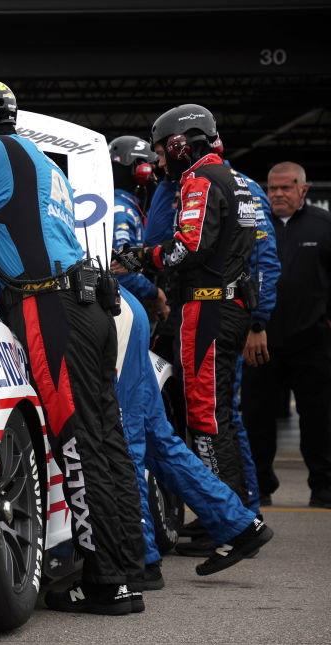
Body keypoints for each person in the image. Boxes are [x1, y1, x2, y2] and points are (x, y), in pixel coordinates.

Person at [0, 78, 146, 615]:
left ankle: (107, 582)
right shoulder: (38, 160)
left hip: (50, 308)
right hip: (84, 305)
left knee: (76, 445)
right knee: (105, 440)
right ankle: (130, 571)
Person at [132, 105, 256, 512]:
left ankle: (224, 517)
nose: (159, 161)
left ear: (180, 144)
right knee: (221, 414)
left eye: (163, 152)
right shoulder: (236, 179)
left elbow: (187, 247)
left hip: (209, 309)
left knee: (205, 417)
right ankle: (237, 509)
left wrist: (141, 257)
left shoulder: (200, 179)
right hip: (231, 305)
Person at [114, 284, 272, 581]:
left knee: (127, 441)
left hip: (99, 309)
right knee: (158, 440)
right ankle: (237, 523)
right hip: (125, 306)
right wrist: (151, 288)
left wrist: (149, 269)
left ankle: (138, 557)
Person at [242, 162, 331, 509]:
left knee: (319, 419)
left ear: (303, 190)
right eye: (272, 188)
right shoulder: (251, 226)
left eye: (286, 187)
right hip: (258, 339)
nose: (277, 194)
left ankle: (323, 487)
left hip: (311, 339)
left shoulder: (323, 226)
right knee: (256, 418)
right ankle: (259, 486)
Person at [107, 135, 169, 322]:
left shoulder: (115, 204)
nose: (153, 175)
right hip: (119, 310)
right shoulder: (122, 210)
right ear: (140, 169)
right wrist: (155, 293)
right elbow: (121, 269)